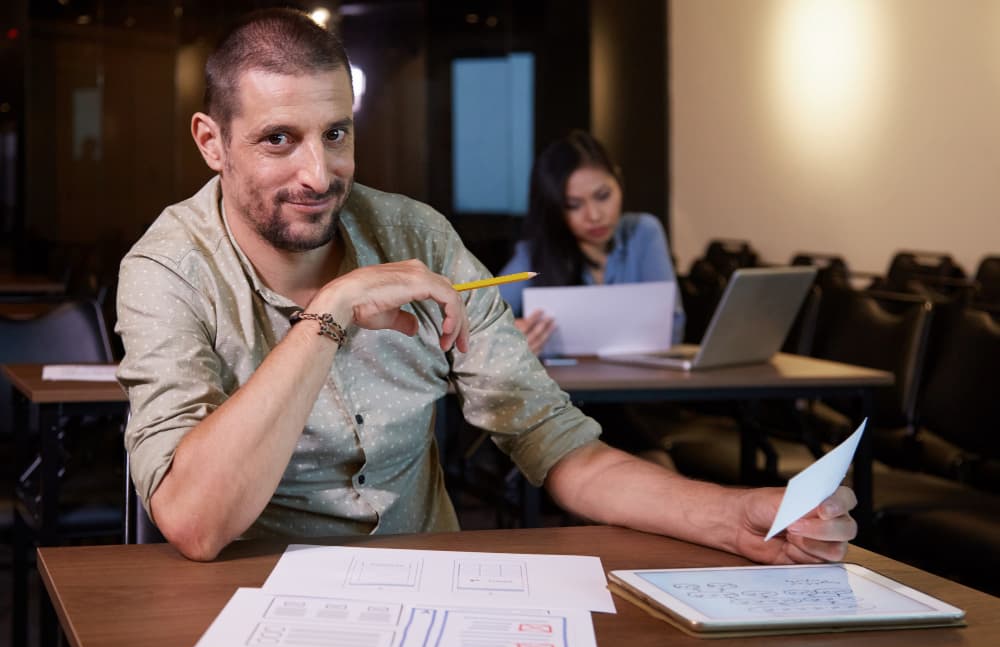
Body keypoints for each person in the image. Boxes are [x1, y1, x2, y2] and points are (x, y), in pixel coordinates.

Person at [115, 8, 856, 564]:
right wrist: (331, 311)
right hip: (249, 597)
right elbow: (195, 521)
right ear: (212, 142)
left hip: (430, 590)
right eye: (280, 139)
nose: (320, 173)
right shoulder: (165, 271)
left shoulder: (420, 237)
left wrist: (737, 516)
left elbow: (554, 444)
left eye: (336, 133)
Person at [498, 130, 685, 355]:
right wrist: (511, 334)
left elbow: (672, 327)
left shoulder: (644, 232)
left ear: (619, 181)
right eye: (574, 205)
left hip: (639, 381)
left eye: (603, 195)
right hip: (563, 386)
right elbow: (478, 319)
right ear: (556, 209)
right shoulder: (535, 253)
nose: (594, 215)